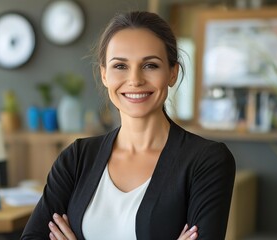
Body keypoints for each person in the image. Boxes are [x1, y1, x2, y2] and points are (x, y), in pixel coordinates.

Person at [21, 11, 236, 240]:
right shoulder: (77, 158)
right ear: (104, 75)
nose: (135, 80)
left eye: (150, 65)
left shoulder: (207, 161)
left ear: (172, 73)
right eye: (120, 66)